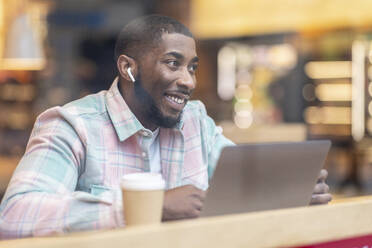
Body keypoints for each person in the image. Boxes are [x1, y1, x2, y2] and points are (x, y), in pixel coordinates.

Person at [0, 15, 331, 239]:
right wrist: (148, 207)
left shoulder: (196, 123)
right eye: (173, 63)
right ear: (129, 68)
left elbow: (240, 185)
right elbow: (15, 216)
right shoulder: (72, 125)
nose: (188, 80)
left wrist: (289, 191)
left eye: (192, 67)